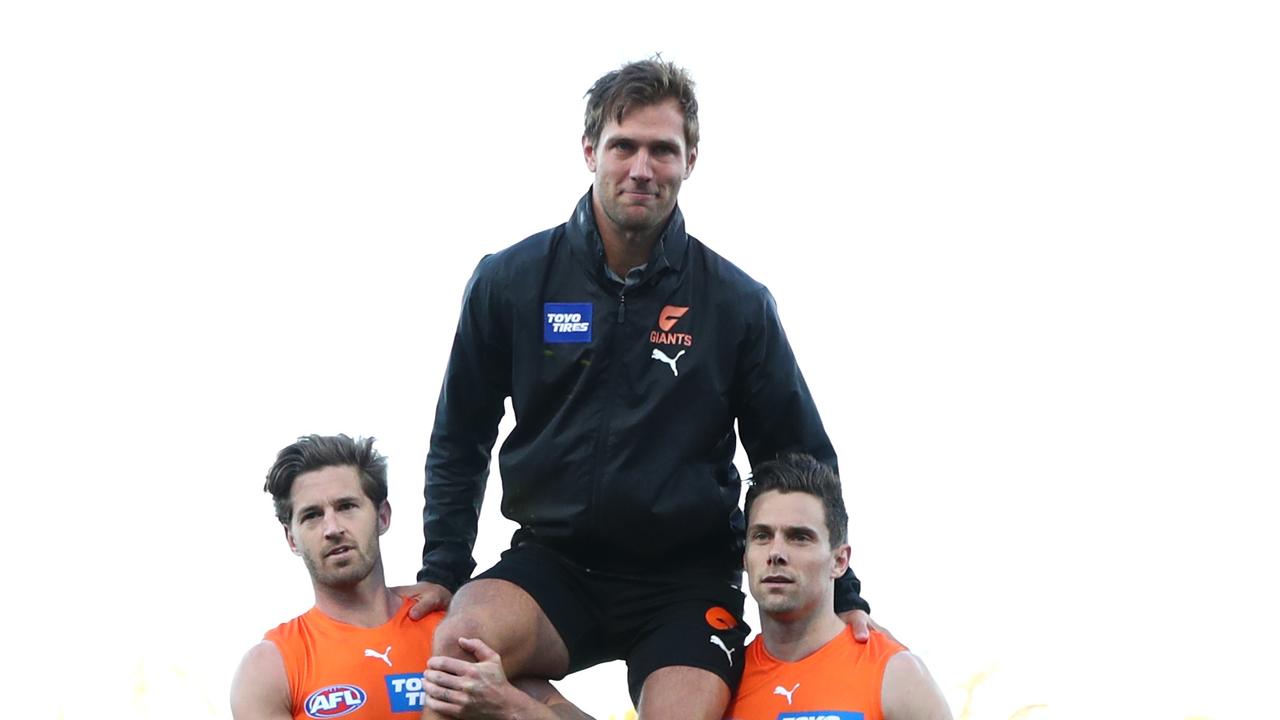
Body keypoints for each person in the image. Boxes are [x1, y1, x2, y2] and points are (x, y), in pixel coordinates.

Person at [401, 58, 877, 720]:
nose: (643, 168)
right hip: (554, 566)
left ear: (692, 160)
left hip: (684, 581)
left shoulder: (737, 304)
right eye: (625, 146)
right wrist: (443, 568)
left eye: (663, 150)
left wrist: (843, 590)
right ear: (591, 149)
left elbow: (797, 459)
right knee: (457, 657)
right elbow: (460, 436)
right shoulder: (510, 281)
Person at [230, 434, 580, 720]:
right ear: (292, 538)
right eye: (311, 516)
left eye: (347, 506)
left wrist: (509, 705)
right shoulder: (270, 668)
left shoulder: (458, 629)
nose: (332, 528)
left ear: (382, 516)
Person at [726, 454, 951, 720]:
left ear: (840, 561)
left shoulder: (896, 676)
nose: (776, 552)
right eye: (762, 536)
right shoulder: (721, 683)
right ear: (745, 558)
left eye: (799, 537)